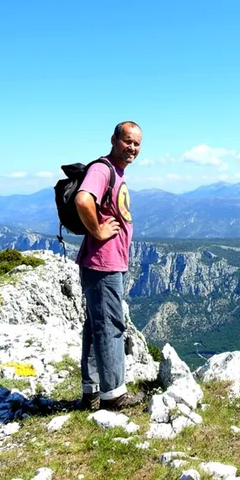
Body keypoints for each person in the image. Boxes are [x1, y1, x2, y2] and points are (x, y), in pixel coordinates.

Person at [75, 121, 144, 411]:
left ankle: (92, 390)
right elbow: (82, 199)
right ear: (114, 140)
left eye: (137, 144)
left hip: (104, 263)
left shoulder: (116, 172)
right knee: (111, 327)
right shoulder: (102, 169)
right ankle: (113, 395)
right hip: (103, 264)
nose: (132, 148)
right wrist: (98, 231)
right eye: (128, 141)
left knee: (96, 326)